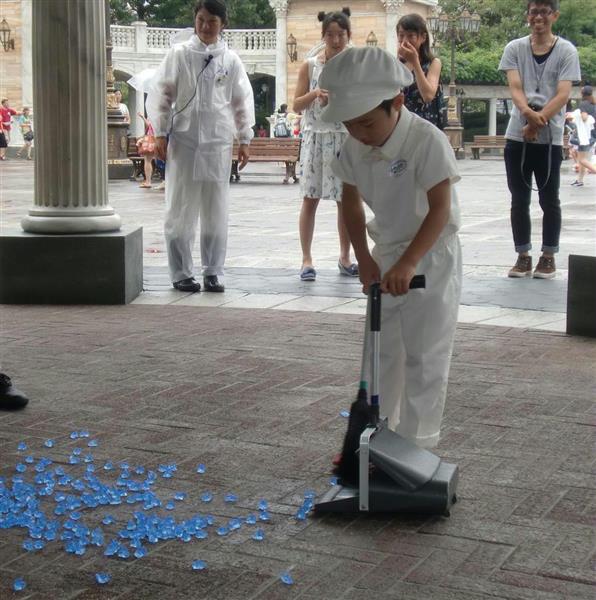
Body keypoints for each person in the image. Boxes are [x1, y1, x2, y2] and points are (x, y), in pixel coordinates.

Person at [320, 46, 462, 448]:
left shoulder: (427, 141)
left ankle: (416, 446)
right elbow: (347, 200)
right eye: (349, 125)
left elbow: (440, 208)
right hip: (385, 253)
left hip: (431, 256)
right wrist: (365, 259)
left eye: (366, 123)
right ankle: (378, 442)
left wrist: (410, 261)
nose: (358, 134)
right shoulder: (354, 144)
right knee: (382, 355)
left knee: (424, 354)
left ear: (396, 103)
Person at [147, 0, 254, 294]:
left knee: (215, 209)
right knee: (180, 207)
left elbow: (241, 101)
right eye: (201, 20)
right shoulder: (179, 54)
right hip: (184, 140)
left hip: (217, 142)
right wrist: (160, 131)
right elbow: (162, 94)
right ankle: (181, 272)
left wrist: (244, 138)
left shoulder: (230, 60)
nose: (206, 26)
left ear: (223, 25)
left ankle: (213, 271)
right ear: (194, 21)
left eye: (212, 21)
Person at [499, 0, 581, 280]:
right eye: (534, 12)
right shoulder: (514, 48)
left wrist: (538, 120)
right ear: (527, 16)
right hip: (517, 134)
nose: (538, 18)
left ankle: (548, 255)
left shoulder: (567, 51)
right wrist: (527, 115)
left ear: (554, 16)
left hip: (549, 138)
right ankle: (522, 255)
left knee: (550, 199)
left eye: (544, 12)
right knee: (518, 199)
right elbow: (515, 87)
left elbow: (563, 94)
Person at [293, 7, 358, 282]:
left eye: (340, 34)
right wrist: (314, 94)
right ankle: (306, 259)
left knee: (346, 200)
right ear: (323, 36)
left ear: (348, 35)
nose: (335, 40)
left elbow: (362, 104)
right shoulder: (310, 65)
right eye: (330, 35)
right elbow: (296, 104)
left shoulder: (355, 65)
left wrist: (340, 101)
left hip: (343, 137)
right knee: (310, 198)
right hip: (316, 137)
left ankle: (345, 256)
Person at [397, 13, 444, 129]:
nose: (405, 41)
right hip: (401, 125)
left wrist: (415, 62)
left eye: (411, 36)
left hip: (425, 126)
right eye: (401, 35)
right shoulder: (397, 64)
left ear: (423, 37)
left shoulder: (433, 63)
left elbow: (428, 96)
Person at [569, 101, 596, 186]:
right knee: (582, 161)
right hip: (586, 139)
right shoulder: (590, 115)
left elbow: (574, 119)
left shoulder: (585, 115)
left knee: (582, 160)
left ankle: (580, 180)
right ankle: (579, 180)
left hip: (584, 140)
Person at [136, 112, 156, 189]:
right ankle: (148, 180)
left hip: (151, 140)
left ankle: (148, 181)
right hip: (154, 139)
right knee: (148, 161)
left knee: (147, 161)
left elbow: (149, 125)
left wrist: (142, 117)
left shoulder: (154, 114)